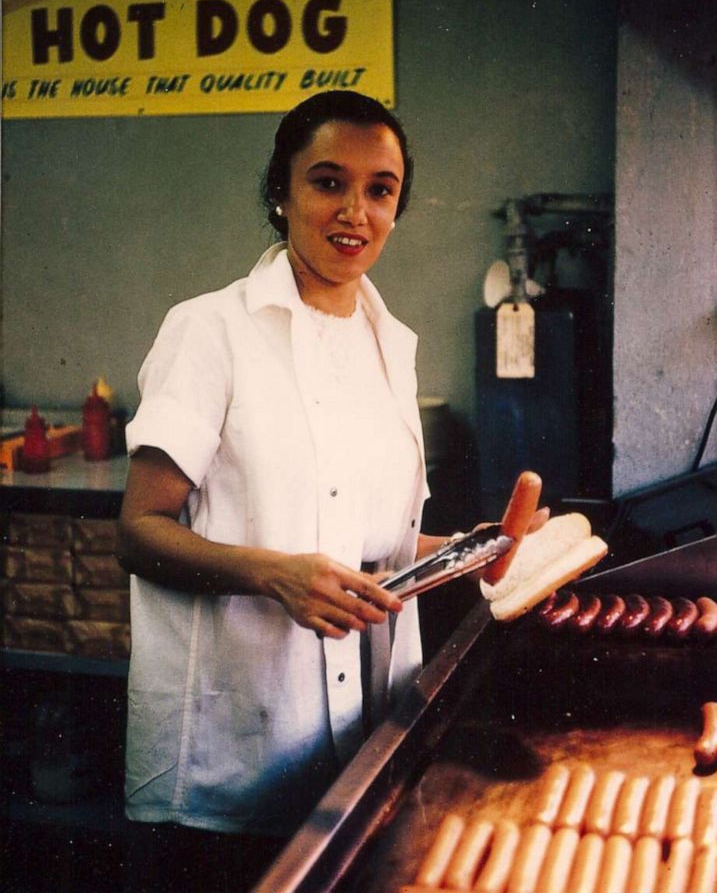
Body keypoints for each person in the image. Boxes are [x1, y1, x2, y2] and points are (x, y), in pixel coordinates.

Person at [119, 91, 483, 889]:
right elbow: (140, 529)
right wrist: (272, 574)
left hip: (365, 742)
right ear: (280, 192)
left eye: (380, 189)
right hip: (236, 745)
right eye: (327, 182)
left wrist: (464, 554)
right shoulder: (209, 330)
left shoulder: (390, 347)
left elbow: (368, 541)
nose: (354, 211)